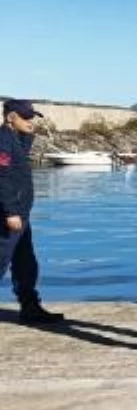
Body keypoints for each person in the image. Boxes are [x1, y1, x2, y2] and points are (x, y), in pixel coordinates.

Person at [0, 99, 65, 325]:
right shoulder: (3, 141)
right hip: (9, 215)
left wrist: (28, 133)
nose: (31, 121)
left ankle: (30, 307)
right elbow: (2, 177)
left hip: (21, 214)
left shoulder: (15, 140)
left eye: (32, 117)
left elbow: (22, 153)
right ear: (10, 117)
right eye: (25, 117)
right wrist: (10, 212)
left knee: (26, 263)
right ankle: (30, 306)